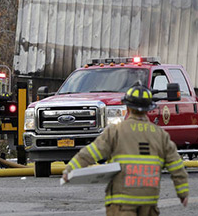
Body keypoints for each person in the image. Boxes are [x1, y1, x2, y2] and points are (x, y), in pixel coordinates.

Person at [62, 84, 189, 215]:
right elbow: (177, 166)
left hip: (122, 202)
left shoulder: (116, 131)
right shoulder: (160, 134)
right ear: (148, 109)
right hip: (149, 201)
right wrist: (183, 193)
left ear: (128, 107)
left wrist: (69, 170)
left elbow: (90, 153)